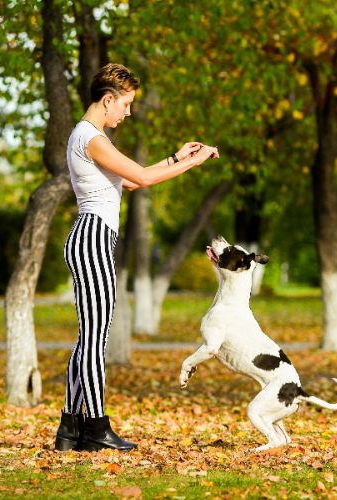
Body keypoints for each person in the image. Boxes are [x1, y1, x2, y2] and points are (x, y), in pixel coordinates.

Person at [55, 63, 219, 452]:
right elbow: (143, 180)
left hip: (91, 238)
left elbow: (130, 178)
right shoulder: (91, 138)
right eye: (125, 104)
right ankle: (95, 428)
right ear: (107, 100)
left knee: (87, 341)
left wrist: (177, 158)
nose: (127, 113)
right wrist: (194, 162)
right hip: (92, 237)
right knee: (95, 342)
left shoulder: (91, 138)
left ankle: (69, 429)